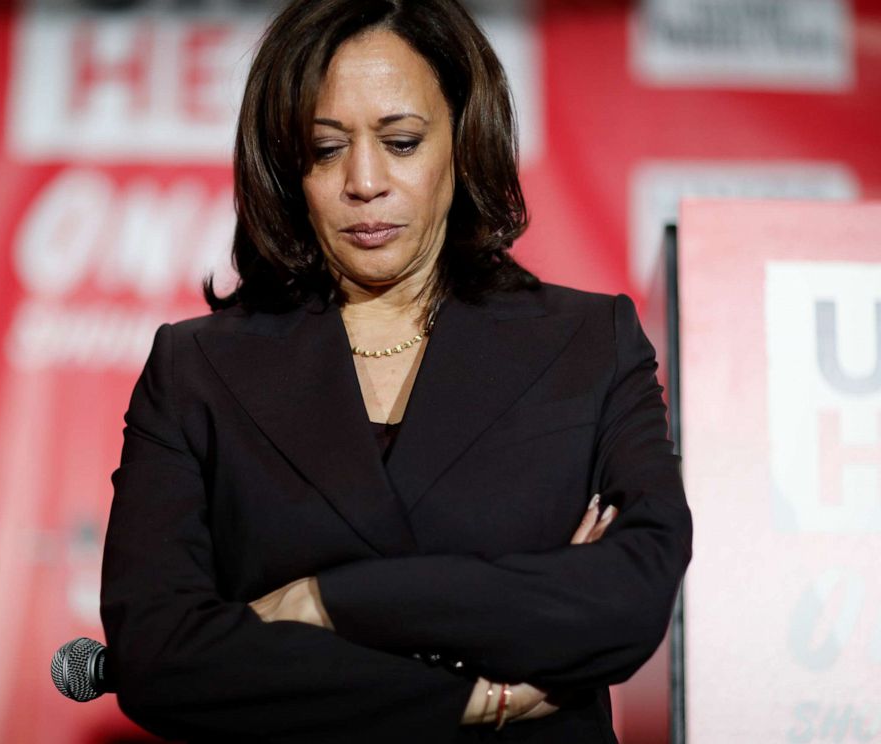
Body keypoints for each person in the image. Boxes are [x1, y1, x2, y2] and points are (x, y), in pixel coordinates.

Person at [99, 0, 692, 741]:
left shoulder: (586, 342)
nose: (364, 181)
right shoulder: (196, 369)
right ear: (286, 167)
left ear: (462, 141)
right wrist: (475, 695)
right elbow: (158, 658)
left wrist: (328, 601)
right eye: (323, 149)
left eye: (402, 141)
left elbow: (631, 594)